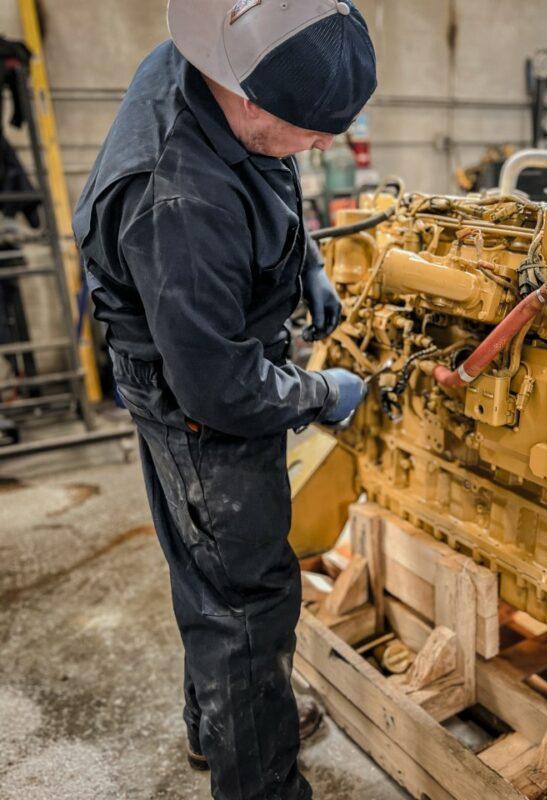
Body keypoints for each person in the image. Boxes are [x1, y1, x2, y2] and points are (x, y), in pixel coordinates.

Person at [72, 1, 377, 797]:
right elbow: (220, 387)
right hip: (196, 392)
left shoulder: (223, 71)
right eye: (311, 133)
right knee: (246, 602)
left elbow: (270, 163)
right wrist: (319, 392)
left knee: (205, 571)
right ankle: (260, 779)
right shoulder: (181, 200)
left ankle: (219, 726)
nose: (318, 149)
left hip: (197, 339)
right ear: (248, 99)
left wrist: (300, 256)